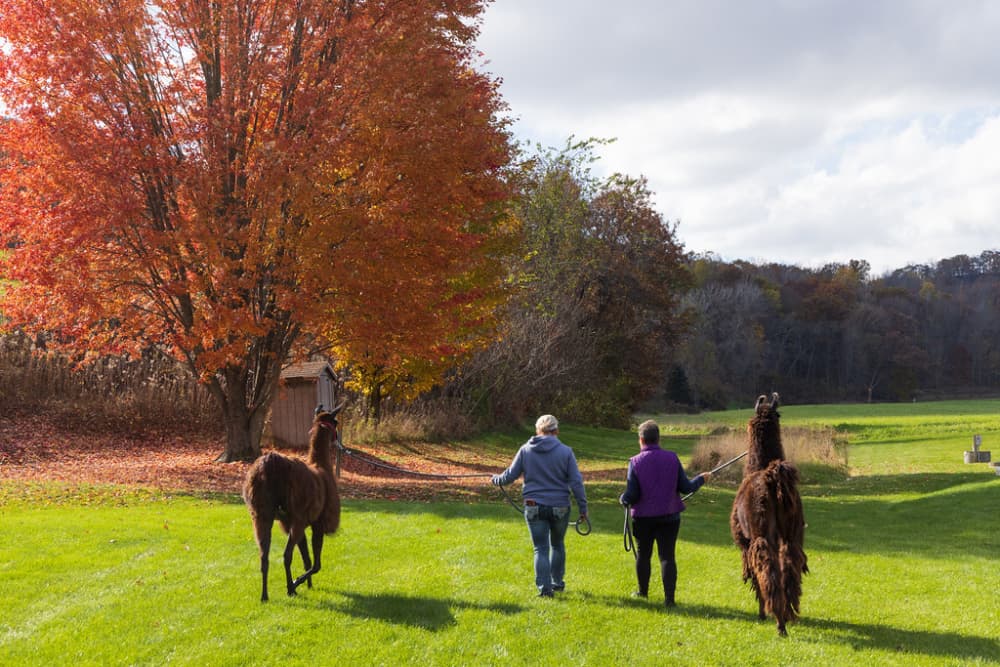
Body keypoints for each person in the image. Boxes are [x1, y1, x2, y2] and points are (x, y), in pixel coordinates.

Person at [492, 414, 588, 597]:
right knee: (558, 544)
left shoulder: (526, 450)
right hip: (560, 506)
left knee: (540, 548)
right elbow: (576, 482)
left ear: (537, 430)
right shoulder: (566, 452)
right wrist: (583, 508)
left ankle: (545, 590)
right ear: (556, 431)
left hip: (533, 504)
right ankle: (557, 582)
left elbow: (510, 476)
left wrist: (496, 480)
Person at [619, 419, 712, 608]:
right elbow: (686, 487)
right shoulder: (672, 458)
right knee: (667, 556)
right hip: (670, 516)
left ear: (641, 440)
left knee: (643, 555)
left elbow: (632, 494)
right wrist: (701, 479)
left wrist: (623, 499)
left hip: (643, 518)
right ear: (658, 439)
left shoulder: (635, 462)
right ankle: (669, 599)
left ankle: (642, 592)